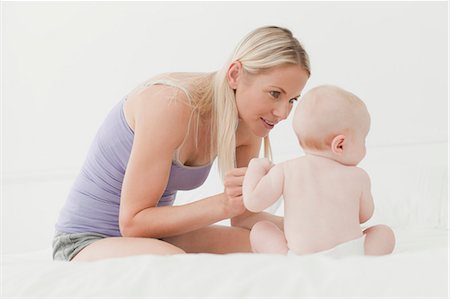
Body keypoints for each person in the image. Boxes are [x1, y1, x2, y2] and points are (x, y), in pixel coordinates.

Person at [52, 26, 311, 261]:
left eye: (292, 100)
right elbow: (132, 223)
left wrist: (319, 226)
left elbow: (245, 217)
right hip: (87, 240)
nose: (283, 113)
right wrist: (223, 203)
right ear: (235, 75)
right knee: (177, 263)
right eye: (275, 94)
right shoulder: (170, 104)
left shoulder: (251, 125)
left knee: (266, 248)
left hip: (153, 239)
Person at [243, 85, 395, 257]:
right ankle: (366, 257)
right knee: (384, 233)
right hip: (350, 252)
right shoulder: (358, 176)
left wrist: (255, 168)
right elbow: (364, 216)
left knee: (260, 230)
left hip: (300, 256)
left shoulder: (285, 170)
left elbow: (253, 202)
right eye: (363, 139)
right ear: (340, 144)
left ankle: (283, 258)